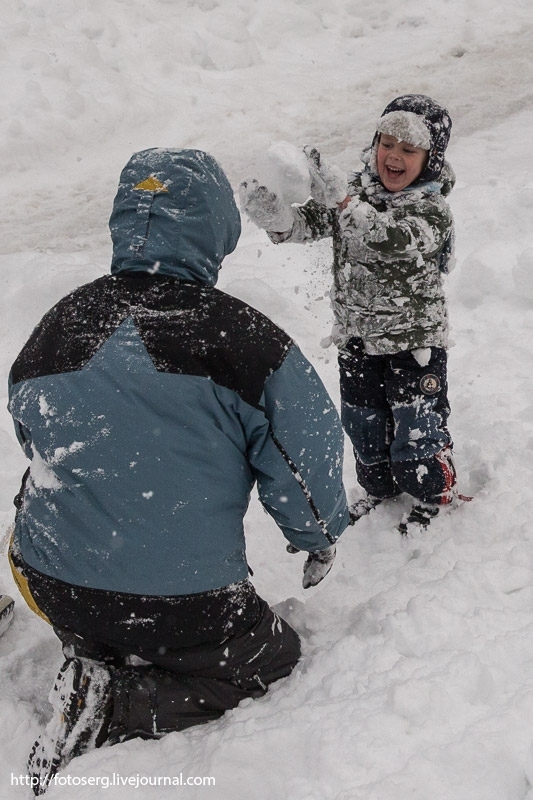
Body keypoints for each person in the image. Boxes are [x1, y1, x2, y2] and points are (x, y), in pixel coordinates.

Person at [7, 148, 350, 795]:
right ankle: (116, 703)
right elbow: (303, 465)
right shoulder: (243, 340)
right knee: (264, 659)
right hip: (180, 607)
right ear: (217, 228)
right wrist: (314, 536)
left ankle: (92, 640)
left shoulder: (63, 320)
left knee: (51, 516)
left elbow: (30, 430)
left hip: (49, 582)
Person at [240, 94, 458, 535]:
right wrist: (278, 218)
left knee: (416, 423)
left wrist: (343, 202)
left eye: (408, 149)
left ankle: (430, 493)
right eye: (387, 143)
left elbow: (391, 239)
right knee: (363, 421)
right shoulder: (356, 192)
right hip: (356, 336)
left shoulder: (430, 210)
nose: (393, 156)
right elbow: (315, 223)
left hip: (413, 343)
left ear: (429, 160)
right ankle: (379, 487)